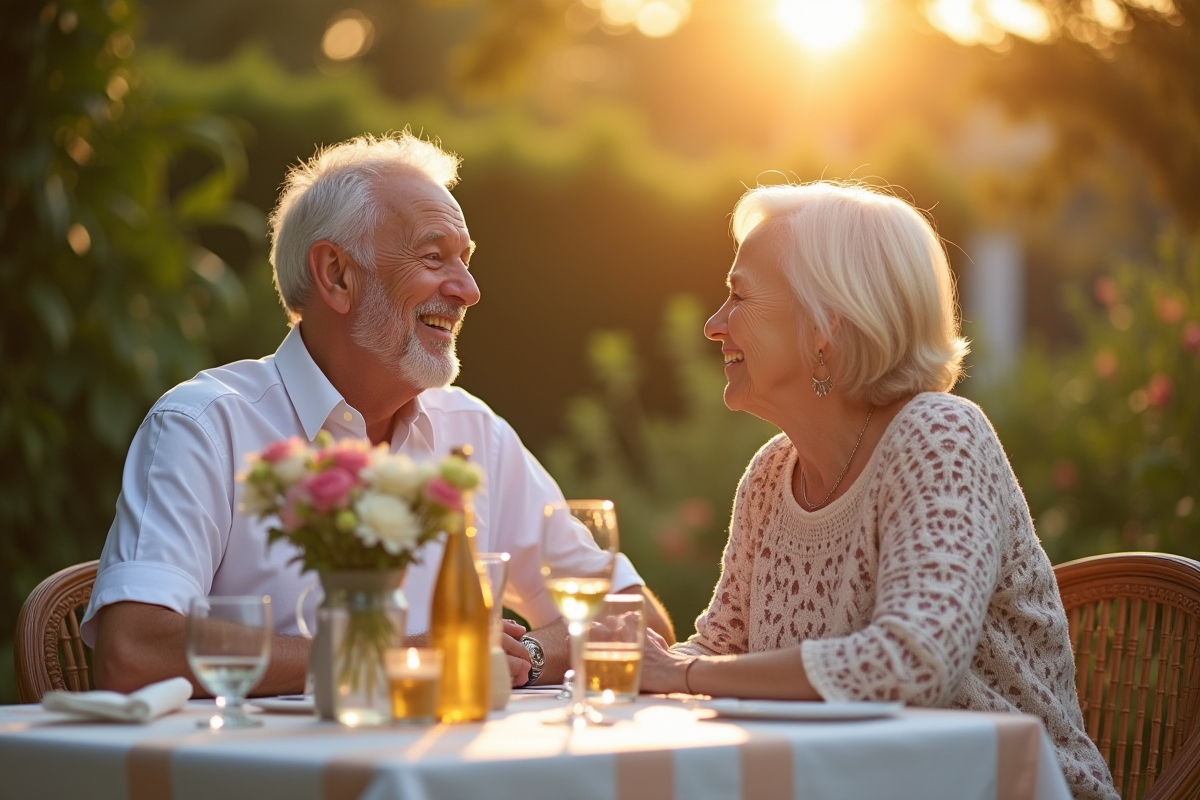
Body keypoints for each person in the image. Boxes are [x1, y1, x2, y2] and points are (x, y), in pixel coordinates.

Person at [82, 131, 674, 696]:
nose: (468, 289)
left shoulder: (472, 433)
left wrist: (530, 657)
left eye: (466, 260)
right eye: (434, 257)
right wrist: (403, 655)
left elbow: (636, 621)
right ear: (337, 275)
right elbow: (134, 652)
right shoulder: (207, 427)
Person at [640, 181, 1118, 800]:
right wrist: (611, 652)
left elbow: (913, 662)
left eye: (738, 297)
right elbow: (720, 650)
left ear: (824, 329)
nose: (713, 325)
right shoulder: (769, 476)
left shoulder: (942, 437)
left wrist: (685, 673)